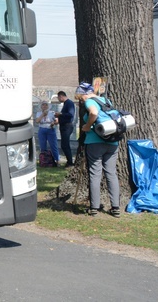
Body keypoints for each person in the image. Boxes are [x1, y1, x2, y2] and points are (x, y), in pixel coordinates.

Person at [76, 82, 121, 217]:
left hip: (95, 143)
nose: (81, 100)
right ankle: (116, 207)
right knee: (111, 174)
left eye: (80, 97)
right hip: (112, 142)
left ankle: (94, 207)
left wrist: (87, 125)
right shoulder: (106, 101)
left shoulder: (90, 101)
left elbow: (94, 113)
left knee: (95, 174)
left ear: (84, 94)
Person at [34, 101, 59, 166]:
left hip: (50, 129)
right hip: (42, 129)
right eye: (43, 105)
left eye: (46, 105)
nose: (44, 106)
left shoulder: (52, 113)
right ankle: (44, 160)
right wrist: (43, 115)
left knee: (53, 145)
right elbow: (37, 121)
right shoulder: (38, 113)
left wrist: (54, 123)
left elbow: (56, 120)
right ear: (41, 106)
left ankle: (57, 160)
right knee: (42, 145)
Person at [55, 91, 76, 167]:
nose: (58, 99)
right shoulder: (65, 104)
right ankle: (69, 161)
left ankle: (70, 162)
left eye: (58, 98)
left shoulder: (69, 103)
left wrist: (60, 114)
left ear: (61, 96)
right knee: (64, 145)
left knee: (65, 145)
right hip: (63, 125)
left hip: (67, 126)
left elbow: (70, 114)